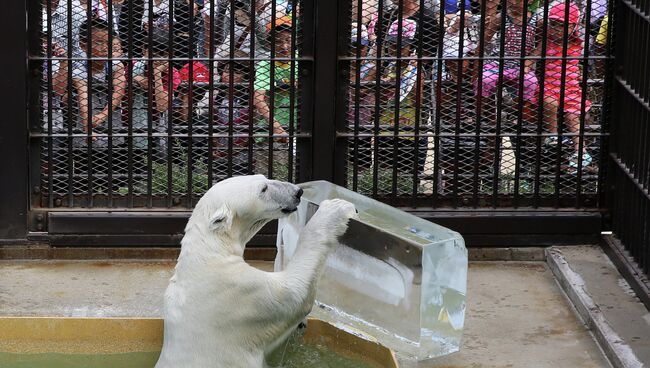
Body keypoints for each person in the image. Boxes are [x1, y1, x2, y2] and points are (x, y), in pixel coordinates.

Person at [542, 1, 592, 171]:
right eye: (553, 24)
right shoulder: (547, 42)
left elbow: (583, 66)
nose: (556, 29)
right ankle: (553, 135)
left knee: (572, 117)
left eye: (561, 26)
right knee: (549, 102)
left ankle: (582, 152)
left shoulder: (578, 45)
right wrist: (526, 69)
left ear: (573, 27)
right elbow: (532, 56)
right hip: (550, 86)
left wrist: (580, 71)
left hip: (570, 89)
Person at [475, 0, 540, 109]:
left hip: (520, 65)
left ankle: (517, 113)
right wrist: (476, 64)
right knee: (485, 80)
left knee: (530, 82)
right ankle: (479, 112)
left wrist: (529, 62)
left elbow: (542, 43)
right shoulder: (501, 16)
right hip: (497, 63)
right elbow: (485, 39)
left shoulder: (536, 19)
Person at [130, 27, 181, 156]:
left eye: (163, 55)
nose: (158, 59)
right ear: (144, 50)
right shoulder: (135, 65)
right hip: (130, 123)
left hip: (158, 124)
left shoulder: (173, 72)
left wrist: (157, 73)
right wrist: (134, 77)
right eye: (154, 53)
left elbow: (162, 106)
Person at [253, 16, 296, 143]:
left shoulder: (301, 60)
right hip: (272, 130)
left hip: (300, 126)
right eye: (278, 41)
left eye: (288, 40)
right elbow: (258, 98)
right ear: (270, 43)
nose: (284, 46)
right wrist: (276, 127)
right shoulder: (265, 65)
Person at [212, 55, 253, 175]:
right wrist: (217, 146)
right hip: (220, 155)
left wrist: (233, 150)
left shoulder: (250, 99)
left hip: (243, 157)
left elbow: (254, 131)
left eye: (237, 72)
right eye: (226, 71)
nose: (229, 75)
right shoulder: (217, 97)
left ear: (245, 76)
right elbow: (212, 124)